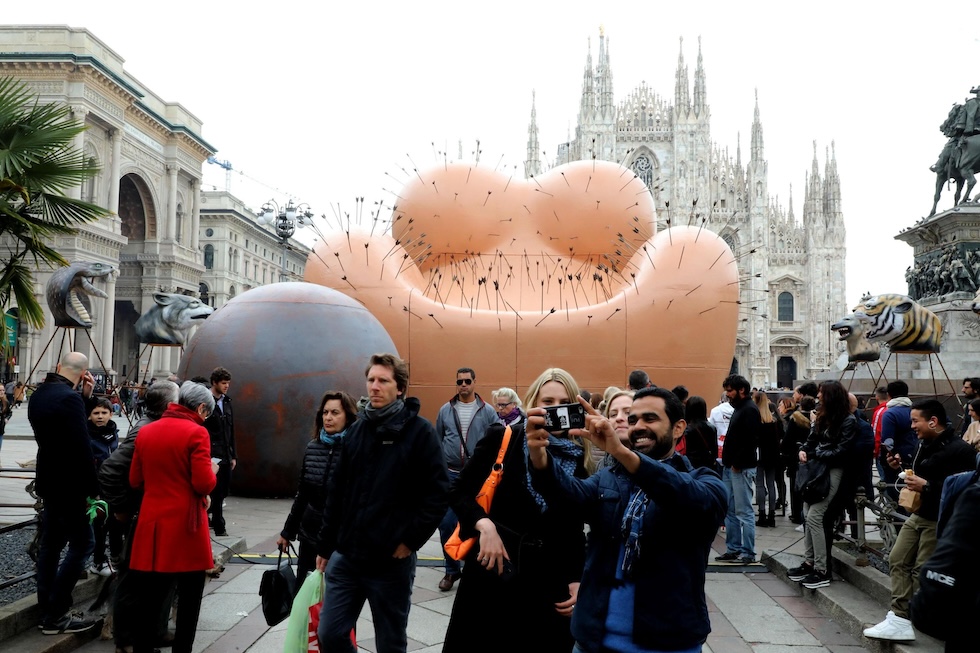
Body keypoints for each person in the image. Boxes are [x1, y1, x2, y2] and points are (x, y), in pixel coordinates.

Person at [526, 386, 728, 653]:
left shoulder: (702, 479)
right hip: (594, 640)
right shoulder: (611, 477)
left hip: (668, 642)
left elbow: (689, 498)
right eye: (633, 420)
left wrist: (622, 453)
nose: (638, 426)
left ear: (678, 428)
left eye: (650, 419)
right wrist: (540, 457)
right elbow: (569, 499)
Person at [442, 367, 591, 653]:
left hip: (548, 581)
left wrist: (576, 579)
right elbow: (458, 491)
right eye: (548, 402)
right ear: (533, 402)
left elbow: (572, 528)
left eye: (564, 402)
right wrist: (484, 524)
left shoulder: (579, 456)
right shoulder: (504, 437)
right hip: (495, 571)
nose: (555, 410)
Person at [315, 353, 448, 653]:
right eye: (371, 379)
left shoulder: (420, 433)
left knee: (390, 644)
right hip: (348, 557)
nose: (374, 386)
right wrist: (326, 545)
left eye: (383, 381)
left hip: (391, 562)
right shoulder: (358, 430)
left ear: (399, 388)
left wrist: (409, 540)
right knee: (331, 634)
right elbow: (337, 491)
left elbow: (438, 494)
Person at [862, 398, 976, 643]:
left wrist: (928, 486)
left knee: (922, 568)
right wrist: (898, 466)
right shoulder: (923, 443)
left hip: (938, 518)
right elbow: (921, 471)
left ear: (933, 421)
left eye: (916, 421)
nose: (912, 426)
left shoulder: (961, 450)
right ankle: (900, 617)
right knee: (897, 558)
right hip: (918, 513)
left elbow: (963, 490)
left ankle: (914, 617)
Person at [128, 381, 218, 653]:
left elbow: (135, 479)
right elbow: (203, 484)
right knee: (189, 598)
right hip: (186, 524)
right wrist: (213, 470)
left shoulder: (147, 431)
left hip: (152, 521)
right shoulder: (197, 433)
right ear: (201, 408)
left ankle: (143, 647)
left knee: (150, 596)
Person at [98, 380, 180, 653]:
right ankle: (126, 640)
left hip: (147, 513)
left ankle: (153, 632)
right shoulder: (143, 431)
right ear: (169, 405)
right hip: (136, 515)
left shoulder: (152, 427)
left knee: (153, 578)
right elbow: (110, 471)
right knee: (133, 580)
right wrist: (122, 507)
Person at [29, 351, 99, 634]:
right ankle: (57, 612)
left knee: (51, 546)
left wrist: (84, 398)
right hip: (71, 486)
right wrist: (93, 490)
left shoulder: (39, 394)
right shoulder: (69, 399)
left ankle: (46, 608)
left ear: (59, 367)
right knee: (84, 544)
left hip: (48, 481)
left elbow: (59, 430)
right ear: (84, 375)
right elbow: (81, 447)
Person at [277, 390, 358, 590]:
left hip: (341, 539)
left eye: (335, 413)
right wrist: (288, 531)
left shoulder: (355, 449)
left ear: (348, 416)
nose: (328, 418)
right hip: (310, 534)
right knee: (304, 592)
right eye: (325, 412)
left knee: (336, 598)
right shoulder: (313, 447)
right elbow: (302, 494)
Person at [434, 367, 500, 591]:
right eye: (459, 381)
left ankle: (477, 568)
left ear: (474, 382)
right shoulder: (445, 409)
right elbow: (439, 438)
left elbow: (496, 440)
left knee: (480, 522)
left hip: (477, 477)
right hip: (451, 475)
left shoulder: (487, 411)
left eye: (467, 381)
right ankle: (452, 571)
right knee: (446, 523)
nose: (463, 385)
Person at [788, 381, 857, 589]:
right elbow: (812, 440)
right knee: (807, 512)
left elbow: (842, 451)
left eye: (821, 395)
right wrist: (804, 450)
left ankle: (821, 569)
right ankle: (809, 562)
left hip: (832, 470)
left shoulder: (848, 420)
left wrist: (816, 453)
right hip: (816, 468)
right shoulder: (822, 416)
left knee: (815, 516)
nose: (818, 398)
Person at [714, 374, 760, 564]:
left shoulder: (749, 409)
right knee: (730, 510)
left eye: (730, 390)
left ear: (742, 390)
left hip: (740, 468)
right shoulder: (740, 408)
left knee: (743, 511)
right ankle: (733, 548)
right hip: (731, 467)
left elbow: (750, 440)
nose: (727, 394)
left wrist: (737, 463)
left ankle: (748, 552)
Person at [87, 397, 121, 577]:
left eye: (104, 413)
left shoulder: (113, 432)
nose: (100, 417)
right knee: (98, 525)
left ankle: (115, 557)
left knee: (114, 523)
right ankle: (98, 561)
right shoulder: (87, 434)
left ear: (111, 414)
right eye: (96, 413)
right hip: (96, 487)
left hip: (112, 485)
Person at [203, 367, 235, 536]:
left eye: (228, 383)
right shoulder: (207, 402)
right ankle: (218, 525)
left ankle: (215, 521)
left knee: (222, 491)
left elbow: (231, 430)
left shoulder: (227, 402)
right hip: (211, 453)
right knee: (212, 490)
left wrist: (233, 454)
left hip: (225, 454)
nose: (226, 386)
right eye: (223, 383)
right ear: (214, 382)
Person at [879, 380, 916, 503]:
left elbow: (887, 441)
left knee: (895, 493)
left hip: (896, 460)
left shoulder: (890, 414)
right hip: (915, 456)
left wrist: (888, 456)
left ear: (889, 395)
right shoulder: (915, 410)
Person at [781, 395, 815, 525]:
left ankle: (796, 513)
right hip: (812, 456)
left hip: (796, 456)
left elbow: (788, 439)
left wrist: (784, 451)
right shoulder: (816, 418)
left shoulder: (795, 419)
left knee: (796, 485)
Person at [753, 390, 784, 528]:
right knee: (771, 484)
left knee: (760, 484)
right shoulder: (774, 421)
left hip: (759, 455)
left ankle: (762, 514)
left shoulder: (755, 419)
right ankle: (772, 516)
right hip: (772, 456)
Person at [597, 388, 634, 470]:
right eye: (613, 414)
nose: (619, 418)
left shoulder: (657, 463)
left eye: (628, 412)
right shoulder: (601, 467)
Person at [682, 395, 719, 472]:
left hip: (691, 464)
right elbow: (715, 449)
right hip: (707, 464)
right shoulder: (711, 427)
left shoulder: (687, 429)